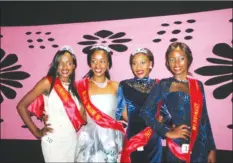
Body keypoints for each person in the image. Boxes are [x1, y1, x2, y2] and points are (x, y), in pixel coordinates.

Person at [140, 42, 216, 163]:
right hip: (176, 148)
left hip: (199, 148)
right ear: (168, 62)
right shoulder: (164, 85)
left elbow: (204, 118)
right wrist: (167, 132)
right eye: (172, 59)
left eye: (181, 58)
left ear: (188, 59)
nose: (176, 64)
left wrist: (212, 148)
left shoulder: (198, 85)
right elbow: (145, 112)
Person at [17, 46, 85, 162]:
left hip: (72, 140)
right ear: (56, 66)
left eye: (68, 63)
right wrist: (37, 132)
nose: (64, 67)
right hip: (53, 141)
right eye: (60, 63)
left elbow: (83, 118)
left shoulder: (76, 88)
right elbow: (21, 106)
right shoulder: (47, 82)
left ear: (74, 66)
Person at [115, 48, 171, 163]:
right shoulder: (124, 85)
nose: (138, 67)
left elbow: (165, 114)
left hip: (153, 139)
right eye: (134, 63)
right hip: (134, 137)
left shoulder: (159, 85)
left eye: (142, 62)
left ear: (150, 64)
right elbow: (121, 113)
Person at [74, 45, 125, 162]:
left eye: (102, 61)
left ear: (108, 64)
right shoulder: (81, 86)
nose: (98, 65)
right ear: (89, 63)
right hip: (90, 138)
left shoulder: (116, 86)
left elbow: (126, 113)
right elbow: (79, 114)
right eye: (94, 61)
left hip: (111, 138)